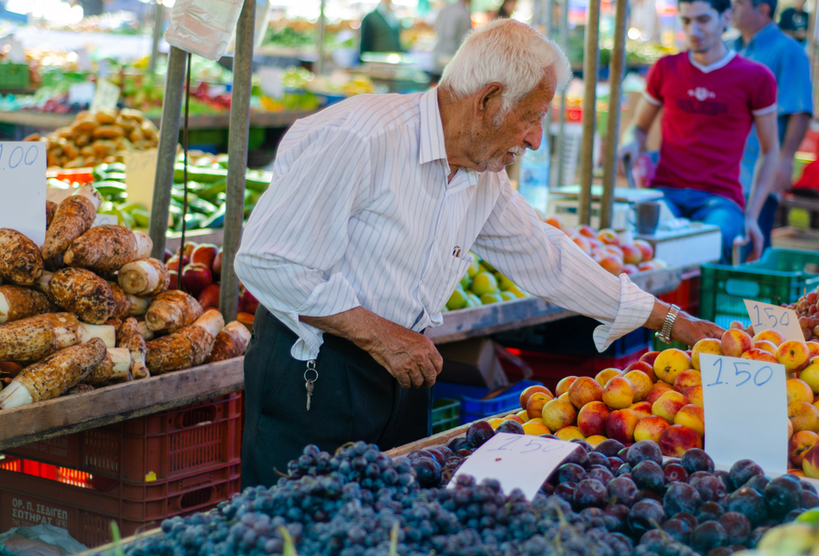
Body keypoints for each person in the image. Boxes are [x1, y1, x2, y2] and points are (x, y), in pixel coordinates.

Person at [234, 19, 724, 489]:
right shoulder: (359, 137)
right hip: (314, 374)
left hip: (404, 367)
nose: (534, 138)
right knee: (295, 532)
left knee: (388, 528)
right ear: (487, 100)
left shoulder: (480, 173)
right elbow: (268, 261)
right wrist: (380, 335)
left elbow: (545, 256)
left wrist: (668, 320)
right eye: (531, 117)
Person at [618, 0, 780, 264]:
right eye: (686, 21)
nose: (693, 30)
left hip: (720, 199)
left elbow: (771, 150)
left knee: (712, 249)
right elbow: (639, 129)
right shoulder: (666, 69)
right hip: (665, 193)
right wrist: (630, 145)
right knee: (644, 249)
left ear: (726, 17)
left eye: (703, 20)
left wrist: (752, 216)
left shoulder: (756, 78)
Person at [731, 0, 813, 252]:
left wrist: (786, 158)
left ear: (763, 9)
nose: (732, 7)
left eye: (739, 3)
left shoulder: (788, 51)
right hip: (724, 172)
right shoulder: (729, 47)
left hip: (757, 173)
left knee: (750, 249)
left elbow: (800, 110)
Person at [432, 0, 472, 78]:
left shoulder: (445, 9)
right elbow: (465, 39)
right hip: (452, 57)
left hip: (439, 53)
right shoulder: (463, 13)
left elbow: (436, 29)